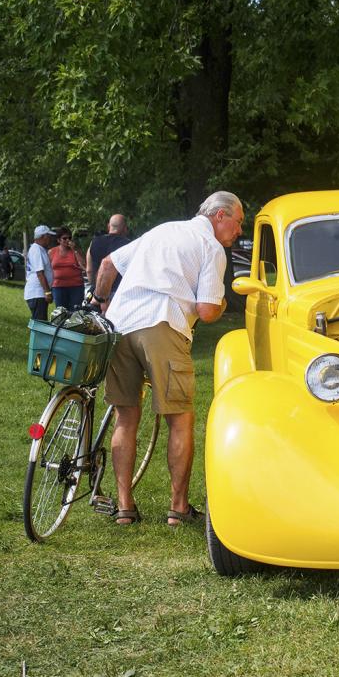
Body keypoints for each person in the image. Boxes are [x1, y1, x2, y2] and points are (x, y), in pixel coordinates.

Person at [93, 191, 244, 527]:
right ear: (220, 215)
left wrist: (100, 302)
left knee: (125, 418)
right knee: (180, 418)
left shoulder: (161, 230)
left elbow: (107, 265)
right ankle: (178, 508)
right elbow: (206, 311)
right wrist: (222, 305)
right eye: (238, 222)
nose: (239, 231)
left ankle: (124, 507)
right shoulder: (211, 248)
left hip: (120, 325)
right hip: (163, 323)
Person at [86, 213, 130, 297]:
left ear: (109, 226)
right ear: (124, 228)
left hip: (97, 294)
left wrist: (95, 285)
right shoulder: (128, 245)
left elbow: (89, 270)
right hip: (119, 292)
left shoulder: (94, 242)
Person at [48, 226, 86, 311]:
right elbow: (47, 269)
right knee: (61, 312)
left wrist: (75, 249)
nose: (67, 240)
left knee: (75, 312)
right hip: (58, 286)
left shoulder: (76, 250)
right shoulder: (52, 252)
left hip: (76, 286)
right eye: (64, 238)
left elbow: (84, 264)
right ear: (59, 240)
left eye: (69, 238)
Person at [24, 225, 55, 320]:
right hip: (37, 293)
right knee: (40, 323)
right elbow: (40, 273)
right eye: (48, 236)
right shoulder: (36, 250)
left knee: (40, 322)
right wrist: (47, 292)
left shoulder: (40, 249)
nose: (50, 239)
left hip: (39, 294)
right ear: (42, 237)